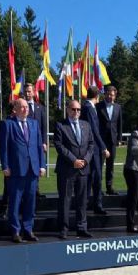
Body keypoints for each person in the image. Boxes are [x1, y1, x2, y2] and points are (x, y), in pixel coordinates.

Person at [0, 98, 46, 243]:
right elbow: (4, 148)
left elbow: (39, 146)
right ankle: (15, 231)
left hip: (32, 170)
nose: (26, 109)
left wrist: (42, 165)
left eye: (27, 107)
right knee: (15, 202)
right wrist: (5, 166)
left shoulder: (34, 124)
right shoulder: (8, 124)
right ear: (15, 109)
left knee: (30, 202)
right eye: (22, 107)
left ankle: (28, 229)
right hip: (16, 170)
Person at [53, 100, 95, 239]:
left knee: (82, 200)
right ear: (67, 110)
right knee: (65, 200)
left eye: (78, 110)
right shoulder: (60, 125)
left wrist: (86, 160)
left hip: (83, 169)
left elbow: (91, 144)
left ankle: (82, 228)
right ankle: (63, 229)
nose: (76, 112)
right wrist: (73, 161)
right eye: (73, 109)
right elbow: (59, 146)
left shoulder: (86, 125)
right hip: (67, 170)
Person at [81, 86, 109, 215]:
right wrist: (103, 147)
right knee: (96, 176)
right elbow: (94, 130)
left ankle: (86, 204)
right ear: (97, 96)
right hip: (93, 148)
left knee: (91, 176)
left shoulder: (88, 107)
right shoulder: (89, 108)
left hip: (90, 147)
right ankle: (95, 205)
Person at [96, 85, 123, 195]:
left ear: (115, 96)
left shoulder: (118, 107)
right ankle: (98, 188)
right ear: (105, 94)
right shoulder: (98, 106)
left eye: (112, 95)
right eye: (108, 94)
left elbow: (120, 123)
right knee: (99, 165)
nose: (110, 96)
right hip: (101, 140)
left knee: (110, 165)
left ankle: (109, 187)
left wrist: (119, 139)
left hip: (112, 140)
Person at [24, 83, 47, 200]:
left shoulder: (40, 108)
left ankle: (36, 189)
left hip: (38, 143)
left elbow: (44, 126)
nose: (27, 94)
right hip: (26, 143)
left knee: (38, 166)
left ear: (33, 92)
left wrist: (44, 142)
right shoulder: (21, 107)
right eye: (26, 92)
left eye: (29, 91)